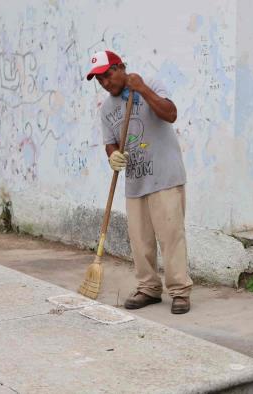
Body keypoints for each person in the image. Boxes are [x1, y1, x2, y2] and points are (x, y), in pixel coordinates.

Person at [86, 50, 193, 314]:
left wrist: (142, 89)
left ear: (121, 67)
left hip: (165, 176)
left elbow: (170, 114)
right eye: (99, 80)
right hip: (135, 180)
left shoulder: (151, 84)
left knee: (171, 237)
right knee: (140, 240)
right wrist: (113, 157)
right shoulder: (107, 109)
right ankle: (148, 288)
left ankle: (179, 291)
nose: (105, 83)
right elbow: (110, 143)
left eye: (107, 75)